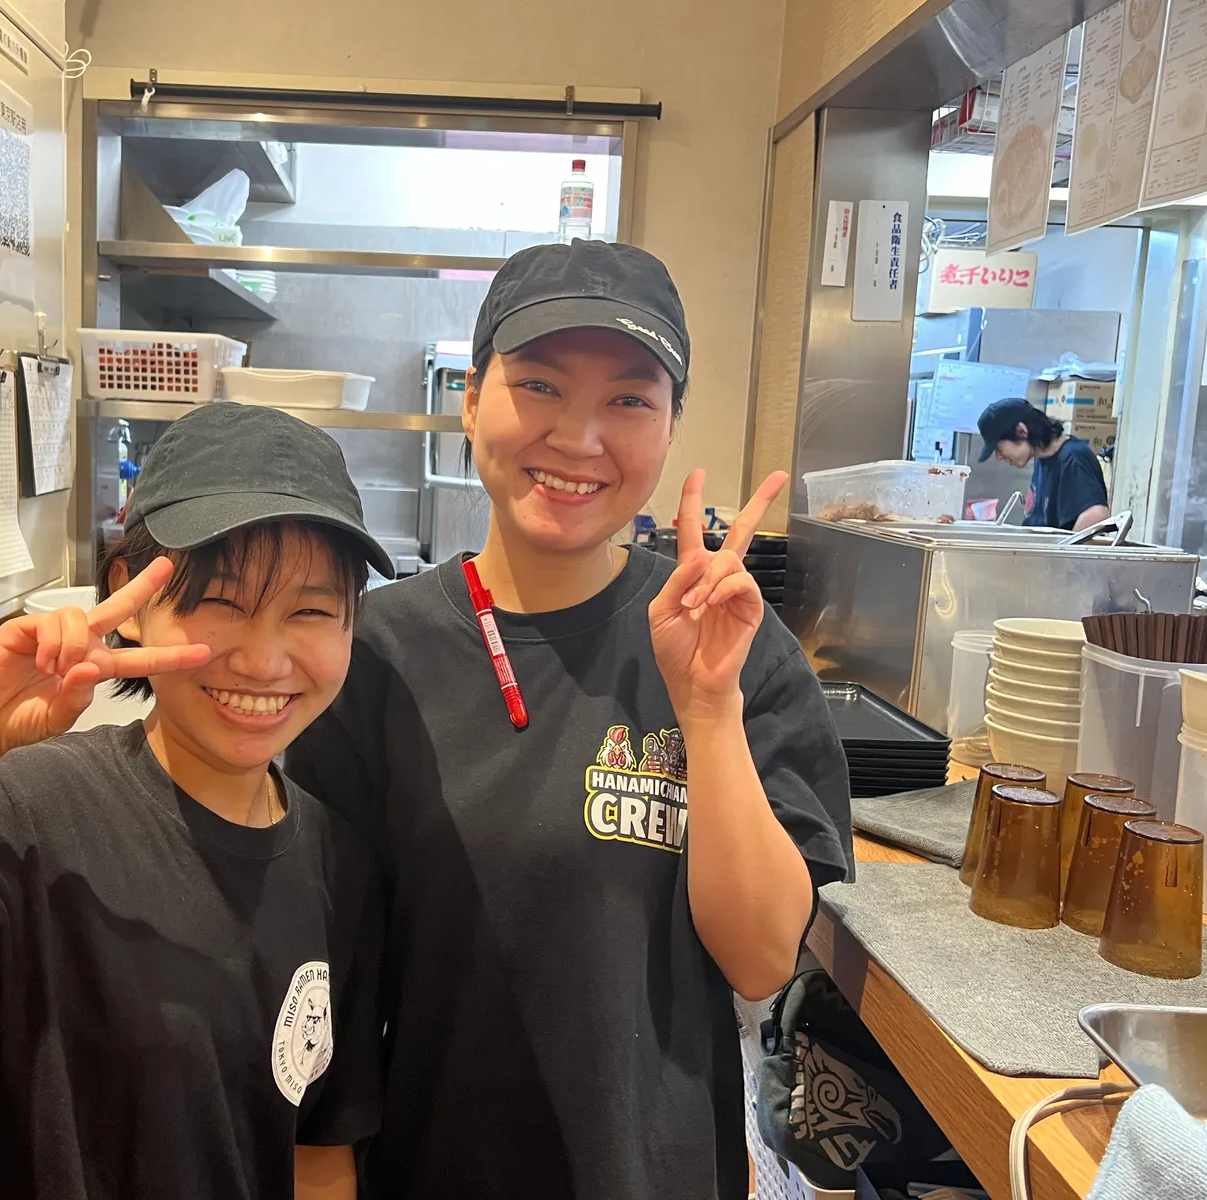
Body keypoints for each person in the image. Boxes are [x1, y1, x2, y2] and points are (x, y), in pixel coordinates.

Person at [285, 240, 853, 1199]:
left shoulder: (736, 646)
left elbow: (760, 959)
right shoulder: (374, 653)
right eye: (539, 385)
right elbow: (318, 977)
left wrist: (708, 709)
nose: (580, 438)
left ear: (671, 426)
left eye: (629, 399)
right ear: (471, 401)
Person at [0, 404, 389, 1200]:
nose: (263, 660)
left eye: (311, 611)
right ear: (132, 594)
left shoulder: (341, 865)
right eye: (222, 601)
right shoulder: (29, 814)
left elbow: (316, 1152)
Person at [976, 396, 1110, 531]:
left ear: (1021, 431)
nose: (999, 457)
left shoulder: (1073, 458)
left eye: (998, 449)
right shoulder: (1042, 458)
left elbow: (1096, 514)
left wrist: (1063, 551)